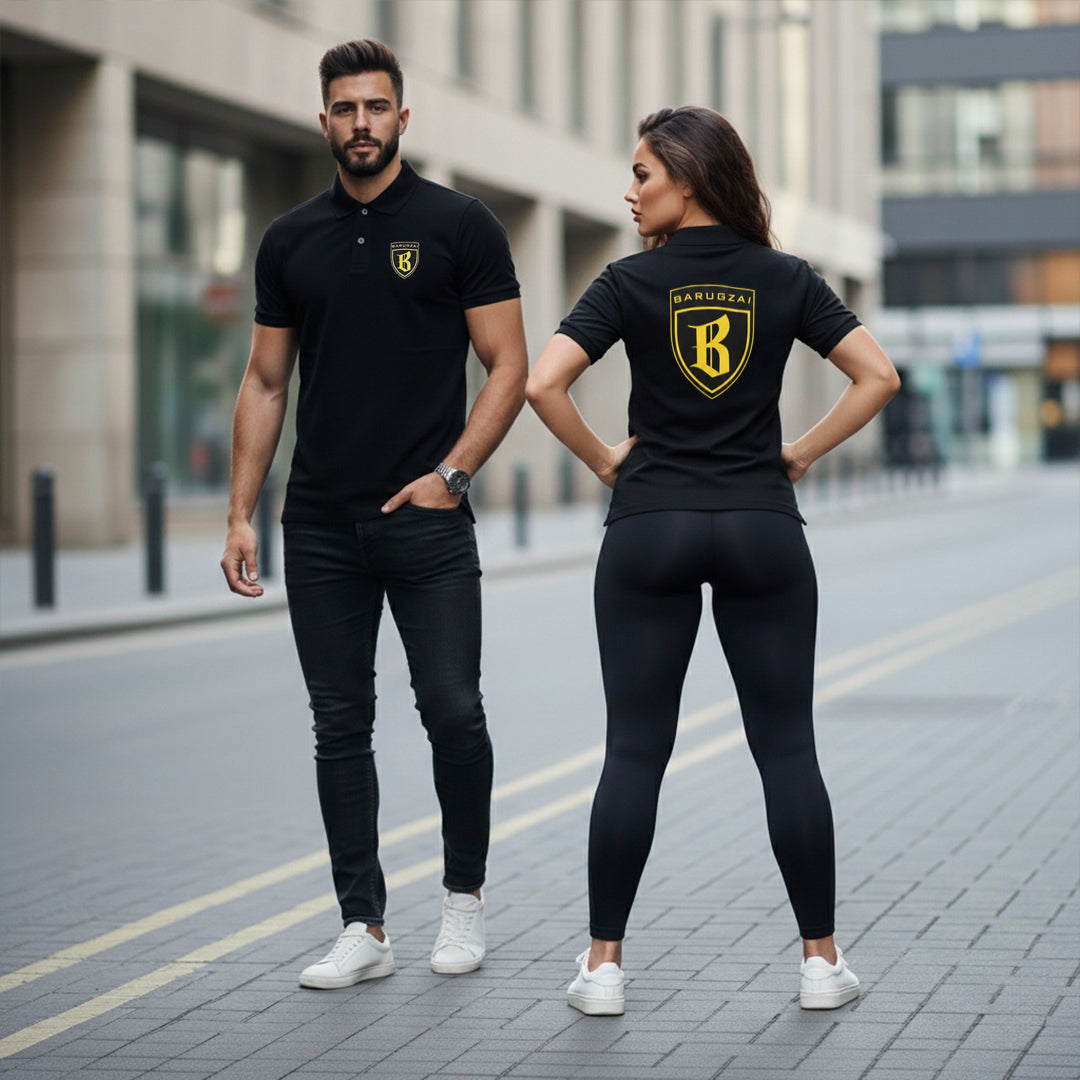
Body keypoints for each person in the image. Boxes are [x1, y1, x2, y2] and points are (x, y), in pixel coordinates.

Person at [526, 106, 900, 1016]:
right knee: (786, 748)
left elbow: (543, 384)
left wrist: (607, 459)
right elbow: (879, 376)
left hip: (650, 523)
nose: (630, 191)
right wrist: (802, 453)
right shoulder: (785, 278)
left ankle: (604, 969)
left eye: (642, 174)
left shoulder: (626, 282)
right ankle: (821, 963)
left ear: (687, 179)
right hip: (759, 525)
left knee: (634, 751)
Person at [221, 39, 527, 988]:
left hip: (428, 522)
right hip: (318, 524)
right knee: (338, 724)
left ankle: (464, 904)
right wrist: (241, 513)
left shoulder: (459, 224)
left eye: (377, 107)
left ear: (404, 117)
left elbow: (508, 367)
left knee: (453, 711)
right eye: (345, 108)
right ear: (323, 121)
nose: (362, 123)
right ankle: (364, 925)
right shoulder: (289, 240)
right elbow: (267, 381)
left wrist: (455, 474)